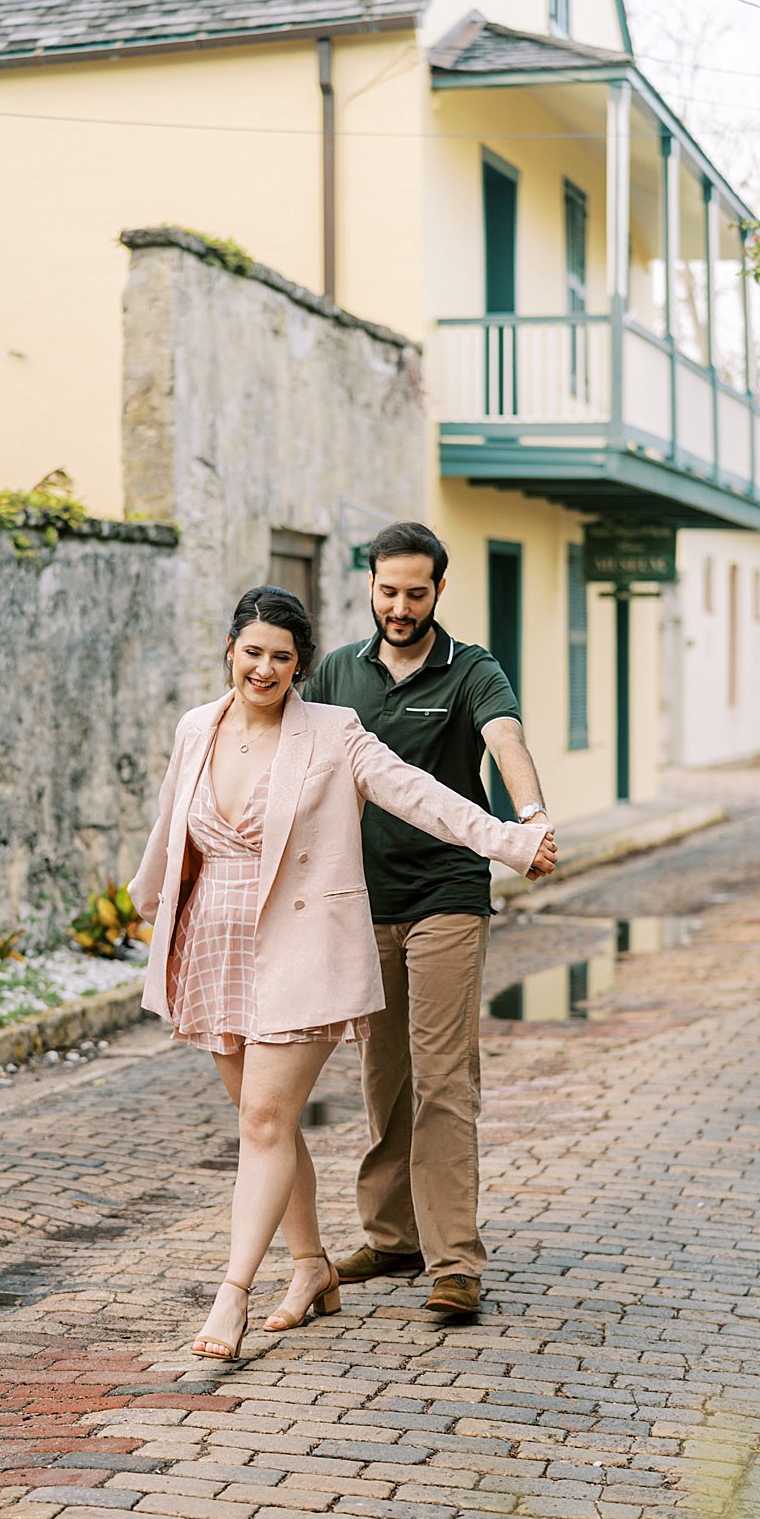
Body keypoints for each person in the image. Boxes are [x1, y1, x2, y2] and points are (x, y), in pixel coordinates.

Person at [126, 585, 556, 1362]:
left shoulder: (333, 733)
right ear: (230, 650)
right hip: (213, 947)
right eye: (252, 652)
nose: (264, 668)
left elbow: (418, 794)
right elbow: (169, 820)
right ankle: (311, 1266)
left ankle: (232, 1295)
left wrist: (509, 840)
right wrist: (145, 899)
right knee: (271, 1126)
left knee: (261, 1121)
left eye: (282, 657)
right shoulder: (198, 727)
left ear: (301, 667)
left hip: (298, 951)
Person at [300, 522, 555, 1323]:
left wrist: (533, 816)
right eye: (388, 592)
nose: (401, 607)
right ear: (370, 587)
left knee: (443, 1076)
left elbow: (503, 737)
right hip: (362, 898)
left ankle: (454, 1262)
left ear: (439, 590)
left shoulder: (471, 667)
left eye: (416, 592)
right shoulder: (340, 671)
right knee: (384, 1079)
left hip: (445, 892)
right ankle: (393, 1236)